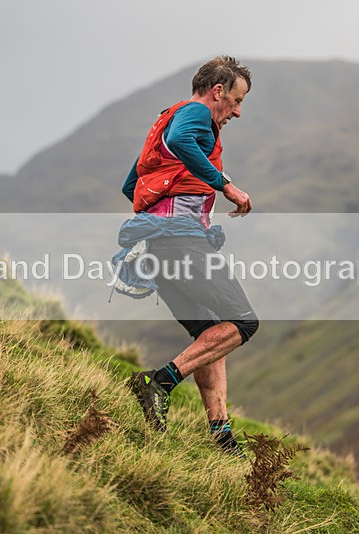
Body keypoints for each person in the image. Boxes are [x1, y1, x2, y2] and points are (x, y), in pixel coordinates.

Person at [120, 56, 259, 455]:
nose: (237, 111)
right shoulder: (196, 115)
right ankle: (158, 383)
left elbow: (133, 185)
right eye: (236, 100)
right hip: (181, 245)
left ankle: (221, 435)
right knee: (244, 322)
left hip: (159, 247)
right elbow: (183, 142)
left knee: (209, 333)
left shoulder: (164, 120)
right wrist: (224, 186)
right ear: (218, 91)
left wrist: (168, 219)